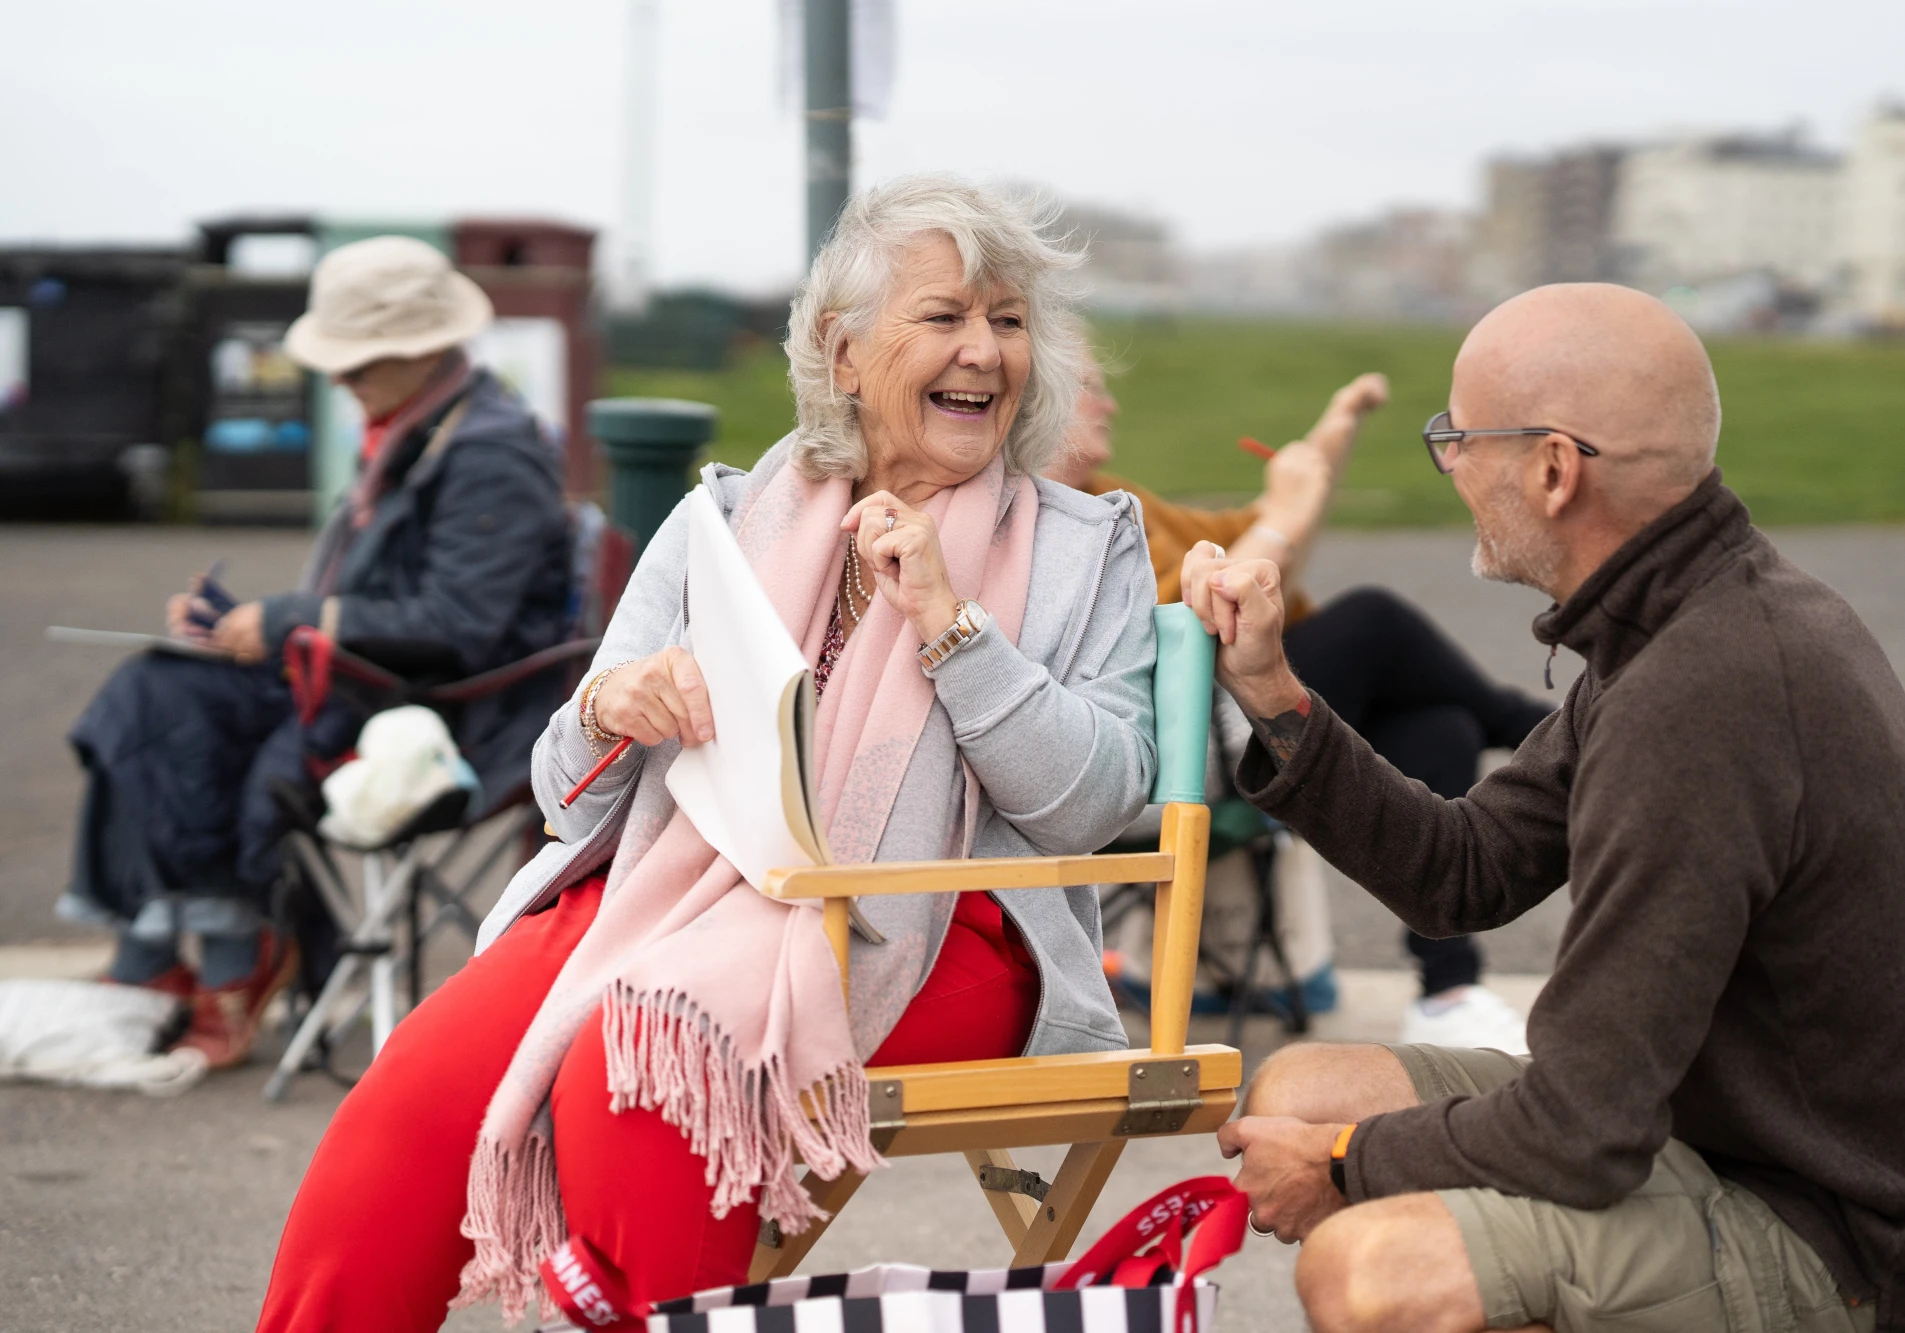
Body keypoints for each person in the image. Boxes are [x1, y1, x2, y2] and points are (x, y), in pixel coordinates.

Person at [254, 176, 1160, 1332]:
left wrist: (951, 623)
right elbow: (559, 793)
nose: (983, 351)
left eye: (1009, 320)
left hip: (941, 921)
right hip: (667, 883)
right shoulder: (720, 523)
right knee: (415, 1096)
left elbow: (1092, 803)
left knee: (647, 1051)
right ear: (842, 353)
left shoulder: (1084, 547)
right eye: (943, 317)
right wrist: (609, 707)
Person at [1187, 282, 1905, 1332]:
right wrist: (1272, 695)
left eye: (1456, 438)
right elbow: (1461, 871)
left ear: (1552, 467)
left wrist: (1346, 1165)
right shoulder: (1682, 621)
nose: (1446, 467)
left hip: (1865, 1240)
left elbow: (1581, 1127)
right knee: (1296, 1086)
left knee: (1372, 1272)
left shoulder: (1705, 689)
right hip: (1734, 1137)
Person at [60, 235, 572, 1069]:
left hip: (450, 713)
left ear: (422, 348)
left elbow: (462, 624)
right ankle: (159, 950)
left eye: (359, 362)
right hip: (382, 683)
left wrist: (297, 616)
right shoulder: (432, 423)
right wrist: (250, 623)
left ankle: (226, 955)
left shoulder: (488, 452)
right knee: (154, 692)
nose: (342, 378)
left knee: (169, 708)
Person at [1046, 356, 1549, 1050]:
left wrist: (1331, 439)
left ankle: (1448, 990)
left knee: (1439, 724)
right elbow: (1204, 623)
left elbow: (1254, 533)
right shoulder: (1047, 524)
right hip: (1166, 758)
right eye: (1090, 390)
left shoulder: (1114, 497)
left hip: (1217, 727)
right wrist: (1286, 510)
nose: (1109, 406)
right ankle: (1557, 737)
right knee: (1372, 619)